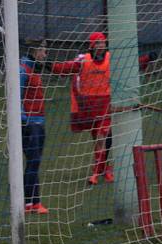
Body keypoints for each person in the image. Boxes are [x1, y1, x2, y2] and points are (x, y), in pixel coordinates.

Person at [51, 32, 155, 185]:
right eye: (98, 42)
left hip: (106, 104)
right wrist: (49, 66)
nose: (101, 45)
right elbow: (65, 68)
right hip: (89, 107)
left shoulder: (111, 58)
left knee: (103, 137)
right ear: (91, 45)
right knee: (98, 141)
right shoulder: (83, 60)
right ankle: (106, 170)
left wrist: (147, 58)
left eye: (103, 42)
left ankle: (95, 173)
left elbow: (131, 65)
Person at [20, 39, 49, 214]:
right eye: (43, 51)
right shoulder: (24, 69)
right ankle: (32, 203)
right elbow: (16, 95)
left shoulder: (33, 69)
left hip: (38, 122)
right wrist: (24, 120)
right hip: (30, 124)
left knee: (34, 162)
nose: (45, 55)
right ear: (35, 51)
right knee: (33, 161)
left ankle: (32, 203)